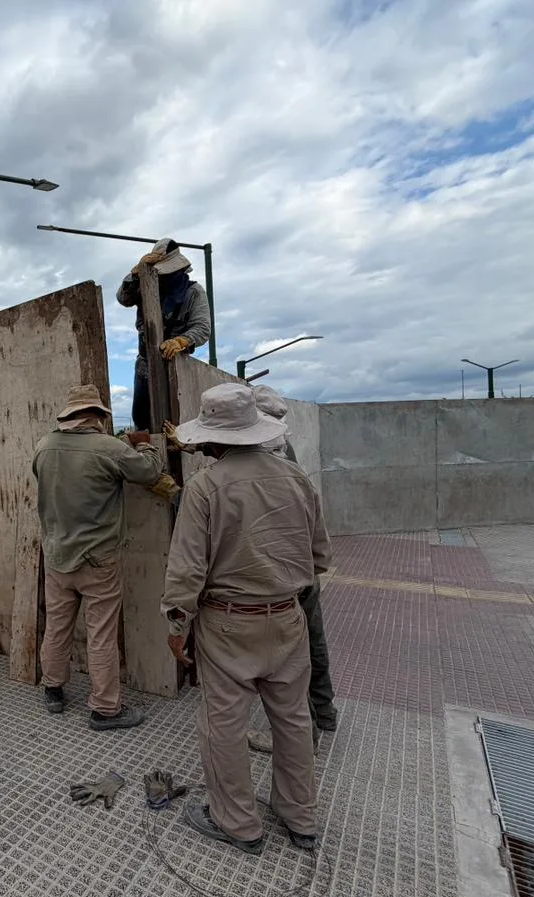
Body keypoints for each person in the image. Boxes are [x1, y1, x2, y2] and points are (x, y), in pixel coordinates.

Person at [161, 383, 332, 854]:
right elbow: (319, 557)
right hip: (288, 617)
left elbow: (186, 571)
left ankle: (237, 823)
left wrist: (177, 626)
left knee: (225, 723)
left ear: (213, 439)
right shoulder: (297, 480)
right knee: (293, 719)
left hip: (227, 625)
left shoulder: (204, 488)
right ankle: (301, 818)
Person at [32, 384, 164, 730]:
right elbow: (148, 472)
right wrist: (147, 445)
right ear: (98, 416)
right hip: (98, 561)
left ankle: (53, 690)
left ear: (69, 415)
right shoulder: (109, 448)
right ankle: (105, 709)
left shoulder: (44, 446)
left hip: (58, 555)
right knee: (101, 634)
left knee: (57, 627)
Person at [247, 386, 339, 754]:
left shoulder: (263, 451)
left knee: (287, 660)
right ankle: (324, 711)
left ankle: (304, 734)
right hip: (303, 568)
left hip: (280, 574)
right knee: (312, 642)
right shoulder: (285, 447)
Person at [117, 238, 211, 430]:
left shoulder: (193, 292)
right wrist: (135, 274)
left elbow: (202, 327)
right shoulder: (146, 287)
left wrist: (182, 341)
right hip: (146, 361)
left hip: (176, 362)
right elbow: (123, 298)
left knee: (176, 416)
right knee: (142, 418)